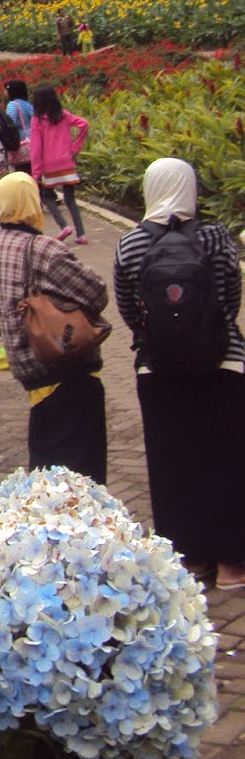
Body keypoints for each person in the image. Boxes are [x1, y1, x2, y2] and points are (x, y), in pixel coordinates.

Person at [113, 158, 245, 587]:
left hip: (158, 370)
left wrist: (160, 339)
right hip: (223, 362)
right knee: (226, 458)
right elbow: (229, 300)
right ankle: (232, 565)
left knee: (172, 463)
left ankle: (189, 559)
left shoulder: (130, 244)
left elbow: (130, 311)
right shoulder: (216, 237)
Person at [0, 172, 109, 483]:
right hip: (64, 371)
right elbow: (97, 292)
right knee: (82, 478)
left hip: (32, 378)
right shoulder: (42, 248)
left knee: (47, 476)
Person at [30, 84, 89, 244]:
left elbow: (36, 147)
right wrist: (75, 148)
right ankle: (81, 234)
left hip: (49, 165)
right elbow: (84, 124)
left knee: (48, 198)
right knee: (70, 199)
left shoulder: (37, 120)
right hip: (66, 162)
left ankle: (64, 226)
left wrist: (36, 172)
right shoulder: (63, 115)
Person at [3, 79, 34, 177]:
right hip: (32, 141)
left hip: (21, 143)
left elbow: (10, 123)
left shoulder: (12, 105)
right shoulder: (27, 104)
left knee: (23, 173)